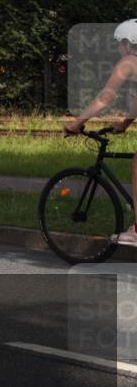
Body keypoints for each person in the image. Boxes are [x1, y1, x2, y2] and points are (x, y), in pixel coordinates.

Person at [64, 19, 137, 245]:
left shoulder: (128, 62)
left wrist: (77, 123)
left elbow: (105, 97)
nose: (118, 48)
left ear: (128, 42)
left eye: (118, 43)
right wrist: (125, 123)